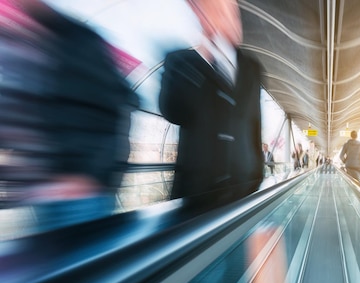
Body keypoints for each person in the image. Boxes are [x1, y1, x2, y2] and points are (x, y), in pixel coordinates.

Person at [0, 0, 138, 233]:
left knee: (82, 262)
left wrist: (88, 175)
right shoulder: (28, 38)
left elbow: (114, 106)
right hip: (42, 189)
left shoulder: (80, 41)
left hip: (75, 192)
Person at [159, 0, 264, 206]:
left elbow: (255, 126)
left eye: (232, 12)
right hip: (196, 195)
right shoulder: (181, 62)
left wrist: (256, 179)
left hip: (243, 191)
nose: (230, 19)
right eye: (218, 10)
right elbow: (172, 111)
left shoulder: (252, 68)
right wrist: (204, 53)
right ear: (201, 15)